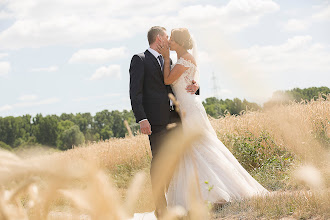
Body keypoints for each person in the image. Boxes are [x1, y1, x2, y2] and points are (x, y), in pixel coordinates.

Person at [157, 28, 268, 210]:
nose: (170, 42)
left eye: (173, 40)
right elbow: (190, 83)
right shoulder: (183, 60)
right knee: (192, 149)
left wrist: (167, 57)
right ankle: (199, 193)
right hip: (185, 107)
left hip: (190, 108)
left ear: (181, 43)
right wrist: (195, 85)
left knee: (200, 146)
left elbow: (168, 80)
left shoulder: (185, 59)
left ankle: (218, 191)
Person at [129, 26, 199, 218]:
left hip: (176, 117)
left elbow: (179, 83)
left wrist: (196, 87)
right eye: (166, 37)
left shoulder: (170, 60)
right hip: (156, 121)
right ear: (158, 38)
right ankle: (161, 208)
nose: (168, 41)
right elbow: (135, 93)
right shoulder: (140, 60)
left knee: (179, 160)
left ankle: (180, 200)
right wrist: (142, 118)